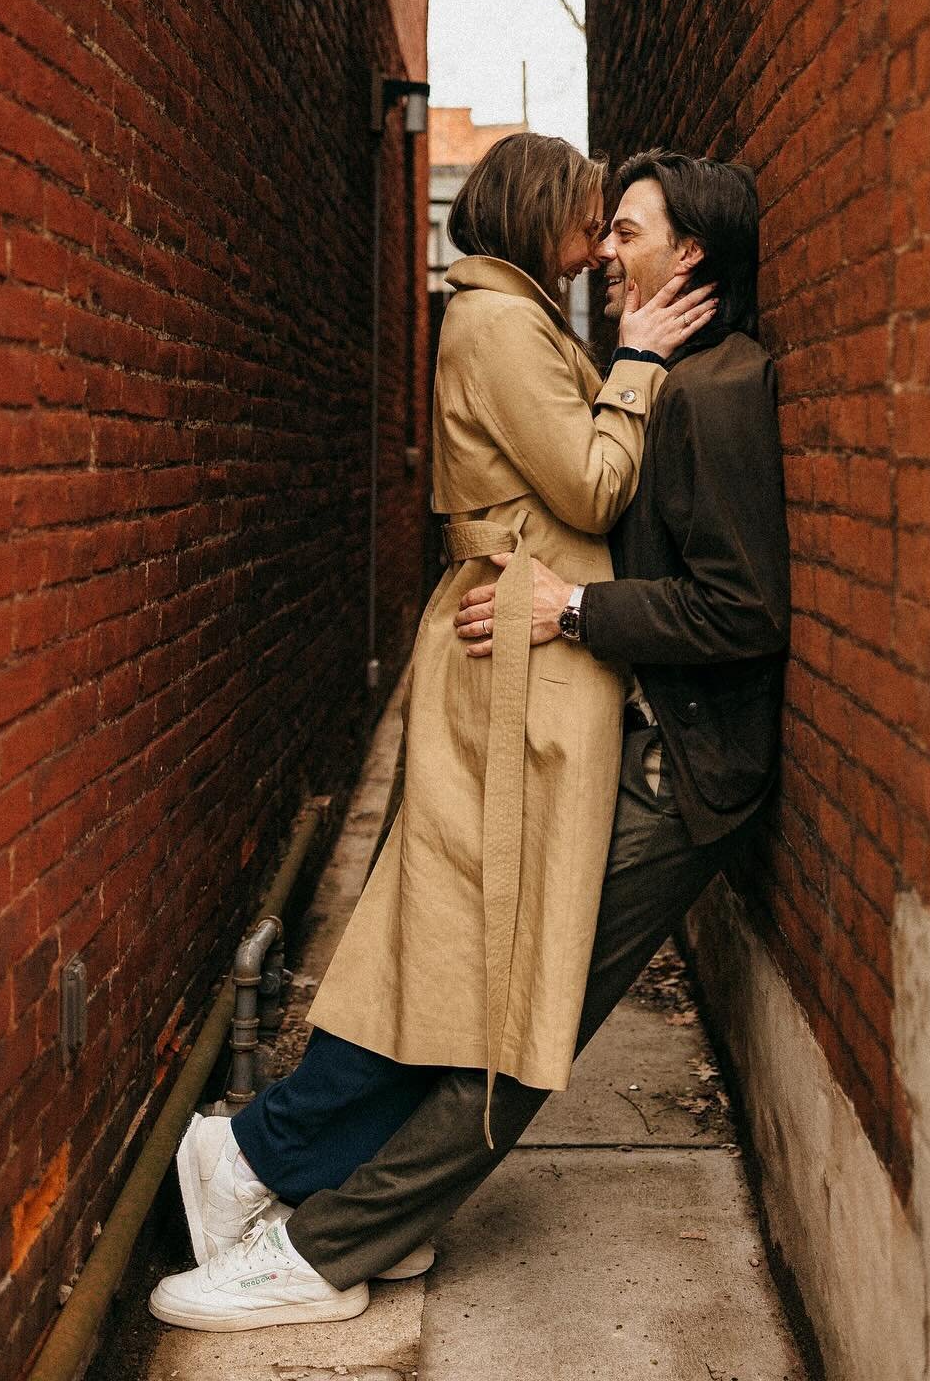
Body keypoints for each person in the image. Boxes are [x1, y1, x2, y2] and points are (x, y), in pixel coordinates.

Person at [148, 135, 718, 1331]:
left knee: (469, 951)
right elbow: (593, 489)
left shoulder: (507, 314)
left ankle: (286, 1167)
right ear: (529, 212)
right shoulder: (501, 326)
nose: (600, 230)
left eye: (618, 218)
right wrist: (637, 362)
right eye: (585, 211)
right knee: (464, 947)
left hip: (526, 649)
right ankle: (254, 1159)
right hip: (513, 664)